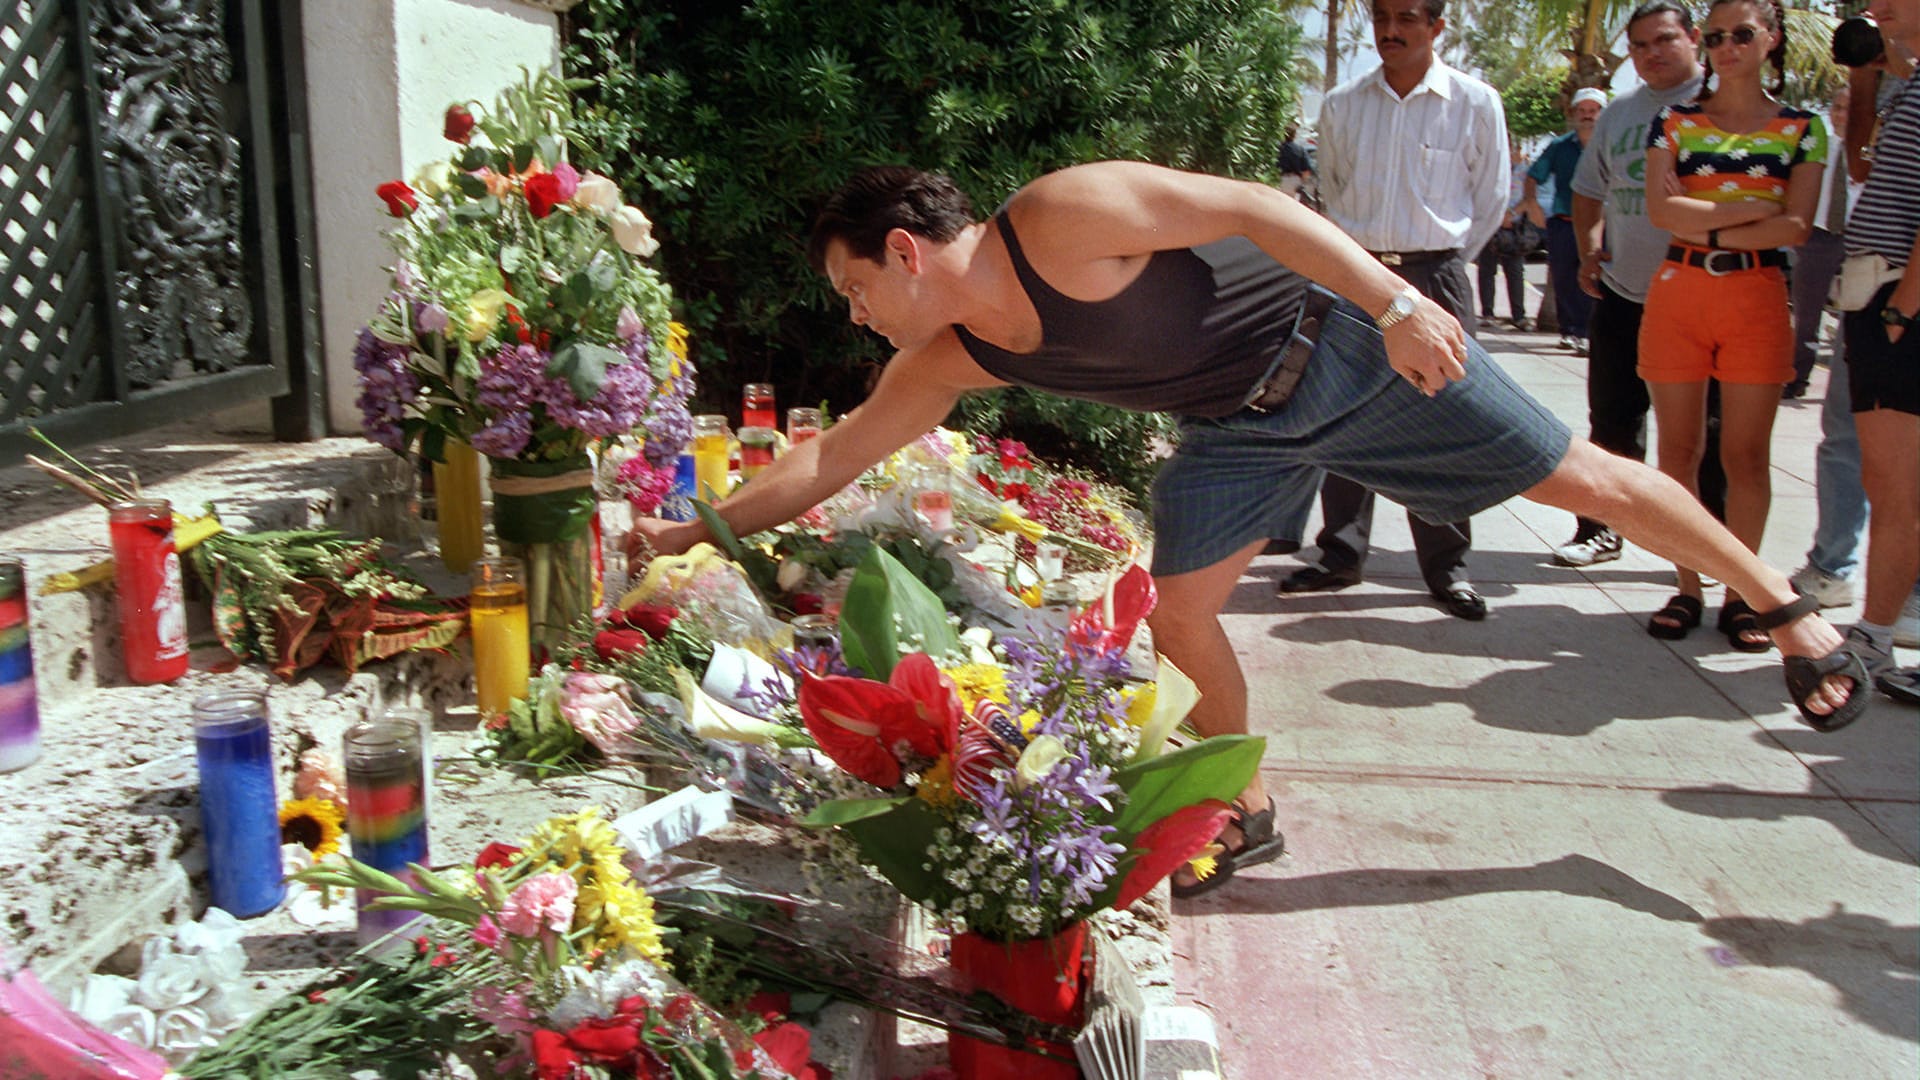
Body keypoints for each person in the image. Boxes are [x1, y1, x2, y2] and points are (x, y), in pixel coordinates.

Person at [628, 159, 1871, 899]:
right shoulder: (948, 357)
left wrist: (1392, 302)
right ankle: (1248, 806)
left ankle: (1787, 608)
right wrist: (682, 536)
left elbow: (1260, 210)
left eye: (854, 290)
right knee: (1177, 616)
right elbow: (828, 459)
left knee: (1585, 480)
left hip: (1345, 349)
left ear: (903, 252)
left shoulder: (1061, 216)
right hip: (1238, 430)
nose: (855, 318)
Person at [1276, 0, 1504, 621]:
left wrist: (1438, 265)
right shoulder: (1344, 103)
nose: (1391, 31)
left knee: (1443, 418)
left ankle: (1447, 566)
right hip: (1358, 272)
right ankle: (1340, 555)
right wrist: (1365, 268)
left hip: (1436, 275)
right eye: (1382, 18)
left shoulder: (1476, 102)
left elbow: (1491, 199)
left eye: (1407, 18)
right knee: (1340, 412)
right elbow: (1337, 190)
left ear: (1437, 26)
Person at [1640, 0, 1827, 652]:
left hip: (1756, 295)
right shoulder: (1674, 120)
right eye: (1713, 35)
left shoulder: (1804, 127)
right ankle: (1687, 588)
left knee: (1745, 457)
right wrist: (1749, 209)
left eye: (1741, 33)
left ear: (1771, 38)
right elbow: (1663, 213)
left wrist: (1707, 217)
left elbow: (1796, 226)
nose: (1725, 45)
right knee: (1677, 454)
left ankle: (1744, 596)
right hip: (1679, 290)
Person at [1556, 0, 1729, 569]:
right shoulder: (1618, 115)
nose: (1652, 54)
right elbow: (1588, 190)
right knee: (1611, 422)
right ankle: (1601, 530)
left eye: (1664, 40)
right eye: (1640, 46)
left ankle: (1713, 551)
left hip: (1706, 297)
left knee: (1709, 439)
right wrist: (1589, 250)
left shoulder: (1726, 104)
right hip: (1625, 294)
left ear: (1694, 38)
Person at [1840, 0, 1920, 702]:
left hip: (1898, 301)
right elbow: (1860, 163)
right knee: (1892, 488)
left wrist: (1902, 308)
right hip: (1885, 300)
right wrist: (1866, 83)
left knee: (1896, 492)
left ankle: (1875, 636)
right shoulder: (1907, 84)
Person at [1521, 87, 1606, 356]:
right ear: (1574, 114)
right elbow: (1534, 175)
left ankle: (1593, 333)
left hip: (1603, 225)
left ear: (1602, 114)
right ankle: (1571, 332)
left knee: (1601, 279)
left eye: (1593, 111)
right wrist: (1532, 205)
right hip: (1564, 223)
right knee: (1565, 279)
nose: (1587, 116)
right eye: (1582, 111)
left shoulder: (1612, 145)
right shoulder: (1559, 146)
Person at [1478, 147, 1537, 330]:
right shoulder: (1490, 168)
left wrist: (1510, 215)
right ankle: (1488, 313)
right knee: (1487, 270)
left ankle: (1518, 315)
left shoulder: (1526, 170)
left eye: (1518, 148)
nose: (1514, 152)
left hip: (1514, 228)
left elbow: (1530, 197)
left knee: (1515, 272)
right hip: (1490, 226)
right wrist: (1496, 216)